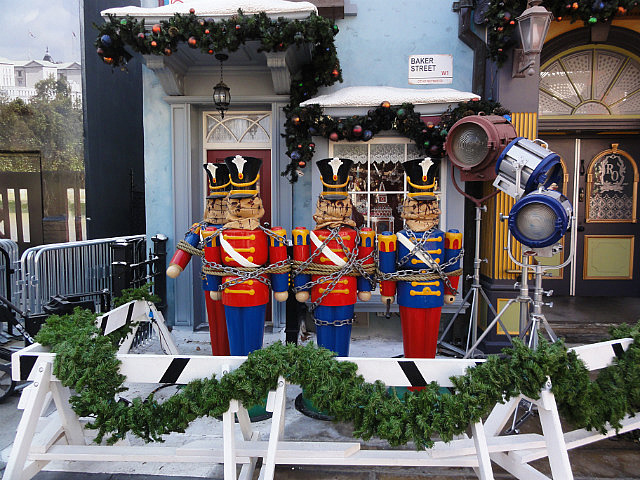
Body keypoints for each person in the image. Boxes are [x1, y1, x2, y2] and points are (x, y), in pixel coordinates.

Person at [378, 157, 463, 358]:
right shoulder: (398, 237)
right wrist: (387, 291)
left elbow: (452, 263)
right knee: (413, 336)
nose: (424, 210)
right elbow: (388, 266)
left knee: (431, 336)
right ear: (409, 206)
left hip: (435, 291)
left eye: (428, 205)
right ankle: (412, 374)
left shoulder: (444, 236)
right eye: (418, 205)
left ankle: (428, 372)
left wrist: (450, 290)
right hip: (409, 291)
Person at [204, 155, 288, 355]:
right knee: (234, 334)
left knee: (253, 335)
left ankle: (252, 367)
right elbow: (213, 261)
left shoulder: (268, 233)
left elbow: (278, 261)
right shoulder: (218, 233)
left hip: (256, 288)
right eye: (236, 202)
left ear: (256, 202)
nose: (240, 206)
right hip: (230, 288)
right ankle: (234, 367)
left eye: (246, 201)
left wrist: (280, 288)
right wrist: (214, 286)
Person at [293, 157, 373, 357]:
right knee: (324, 333)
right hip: (322, 291)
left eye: (339, 203)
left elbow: (364, 262)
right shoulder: (313, 235)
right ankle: (325, 369)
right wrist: (302, 288)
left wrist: (364, 288)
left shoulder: (355, 234)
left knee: (344, 331)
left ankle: (342, 367)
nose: (335, 207)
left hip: (346, 292)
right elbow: (303, 264)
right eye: (330, 203)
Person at [166, 163, 231, 355]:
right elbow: (186, 246)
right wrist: (177, 264)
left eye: (221, 204)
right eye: (213, 204)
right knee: (216, 321)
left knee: (233, 320)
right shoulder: (200, 228)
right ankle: (219, 355)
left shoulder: (240, 228)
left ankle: (235, 354)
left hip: (235, 280)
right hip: (209, 280)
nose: (216, 208)